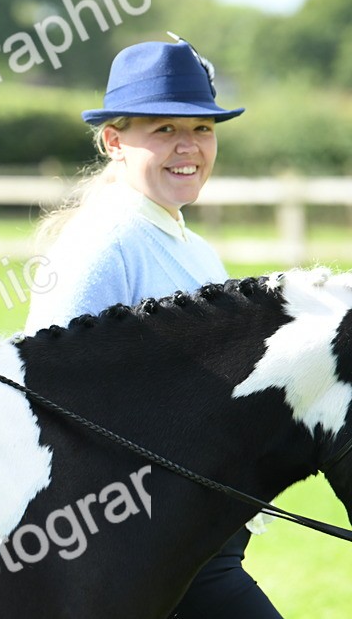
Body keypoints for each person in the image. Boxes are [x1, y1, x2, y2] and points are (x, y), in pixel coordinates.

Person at [24, 37, 281, 619]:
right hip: (136, 541)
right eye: (164, 130)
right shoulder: (103, 244)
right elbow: (46, 395)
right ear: (115, 141)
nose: (189, 147)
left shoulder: (194, 248)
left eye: (203, 129)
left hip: (197, 533)